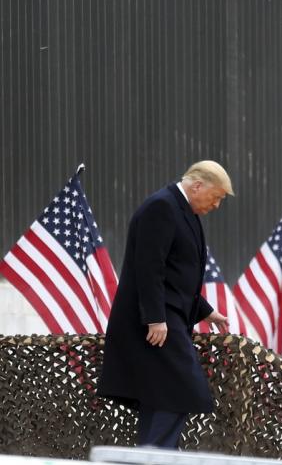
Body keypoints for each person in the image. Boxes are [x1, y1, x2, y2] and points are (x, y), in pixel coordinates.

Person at [98, 160, 233, 448]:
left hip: (168, 318)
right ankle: (155, 456)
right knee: (180, 389)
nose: (217, 205)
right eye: (217, 196)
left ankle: (152, 454)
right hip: (155, 324)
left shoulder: (185, 211)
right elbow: (149, 267)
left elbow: (177, 274)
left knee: (161, 396)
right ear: (197, 185)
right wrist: (155, 318)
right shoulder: (161, 207)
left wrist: (205, 311)